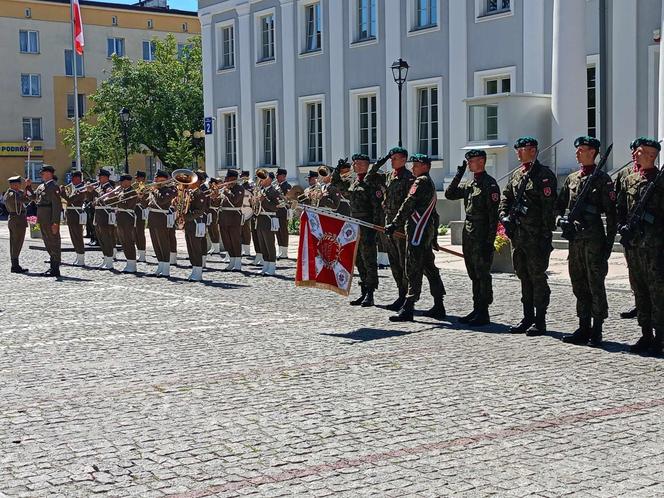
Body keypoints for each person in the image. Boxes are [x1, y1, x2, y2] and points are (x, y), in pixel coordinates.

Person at [555, 137, 617, 346]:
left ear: (593, 152)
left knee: (595, 284)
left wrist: (608, 246)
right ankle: (583, 326)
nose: (577, 153)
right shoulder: (572, 179)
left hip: (594, 240)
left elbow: (611, 214)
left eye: (581, 150)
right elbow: (559, 204)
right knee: (578, 282)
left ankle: (597, 329)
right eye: (577, 150)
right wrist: (559, 219)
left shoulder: (603, 179)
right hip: (575, 240)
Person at [499, 137, 557, 336]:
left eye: (521, 149)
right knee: (523, 276)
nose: (518, 153)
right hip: (518, 236)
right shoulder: (517, 175)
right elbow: (505, 197)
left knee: (537, 277)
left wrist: (543, 235)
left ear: (533, 150)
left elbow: (549, 210)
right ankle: (527, 317)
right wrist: (504, 216)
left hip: (536, 237)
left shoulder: (544, 175)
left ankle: (539, 320)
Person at [617, 137, 664, 355]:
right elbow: (620, 208)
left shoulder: (661, 181)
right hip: (634, 245)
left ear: (652, 156)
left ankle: (660, 337)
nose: (635, 154)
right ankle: (645, 333)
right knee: (639, 290)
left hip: (655, 247)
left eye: (641, 151)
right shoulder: (630, 180)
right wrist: (622, 227)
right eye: (636, 151)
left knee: (657, 291)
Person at [385, 154, 446, 321]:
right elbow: (434, 214)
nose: (413, 168)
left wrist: (394, 224)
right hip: (426, 231)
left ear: (426, 166)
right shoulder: (430, 183)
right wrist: (433, 237)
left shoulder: (420, 182)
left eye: (417, 165)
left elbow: (408, 203)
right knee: (430, 268)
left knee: (413, 267)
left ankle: (409, 308)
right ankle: (439, 305)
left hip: (417, 232)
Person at [444, 149, 500, 326]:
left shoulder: (489, 185)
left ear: (482, 161)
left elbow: (493, 217)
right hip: (469, 234)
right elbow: (449, 194)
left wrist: (489, 242)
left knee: (482, 274)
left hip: (482, 234)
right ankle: (477, 309)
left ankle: (484, 312)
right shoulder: (470, 183)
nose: (469, 164)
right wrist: (459, 175)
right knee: (473, 273)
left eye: (472, 161)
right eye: (468, 162)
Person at [371, 147, 414, 311]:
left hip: (401, 226)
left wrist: (398, 223)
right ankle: (401, 295)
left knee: (404, 263)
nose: (392, 161)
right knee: (394, 263)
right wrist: (381, 160)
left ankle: (408, 299)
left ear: (404, 159)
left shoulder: (409, 178)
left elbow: (408, 205)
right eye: (391, 158)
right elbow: (371, 176)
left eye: (395, 158)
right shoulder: (390, 176)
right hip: (388, 224)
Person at [347, 154, 383, 306]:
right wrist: (337, 170)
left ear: (368, 165)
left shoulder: (371, 181)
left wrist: (375, 227)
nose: (358, 166)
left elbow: (377, 206)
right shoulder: (354, 181)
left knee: (369, 260)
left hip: (367, 224)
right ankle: (363, 291)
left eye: (361, 164)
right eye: (355, 164)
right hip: (355, 223)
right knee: (359, 260)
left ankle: (370, 293)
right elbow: (337, 183)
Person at [616, 141, 641, 320]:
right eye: (632, 151)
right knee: (633, 268)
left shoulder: (656, 176)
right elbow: (618, 203)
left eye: (637, 151)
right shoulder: (625, 174)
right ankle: (638, 302)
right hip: (629, 231)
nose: (634, 154)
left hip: (649, 234)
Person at [33, 165, 62, 277]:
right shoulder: (41, 186)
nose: (41, 175)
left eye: (43, 173)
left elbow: (56, 206)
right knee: (47, 241)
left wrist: (55, 222)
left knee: (53, 242)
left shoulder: (53, 187)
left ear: (49, 174)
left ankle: (55, 268)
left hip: (50, 218)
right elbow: (34, 198)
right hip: (42, 218)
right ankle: (52, 266)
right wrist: (28, 187)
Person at [147, 170, 177, 277]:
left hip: (162, 218)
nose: (155, 180)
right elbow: (146, 203)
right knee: (156, 243)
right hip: (152, 218)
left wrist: (154, 190)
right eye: (155, 178)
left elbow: (162, 201)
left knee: (163, 243)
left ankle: (166, 268)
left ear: (164, 180)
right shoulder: (156, 190)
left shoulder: (170, 190)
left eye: (158, 178)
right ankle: (160, 266)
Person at [254, 170, 282, 275]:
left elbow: (276, 207)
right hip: (260, 219)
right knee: (262, 244)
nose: (260, 180)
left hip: (269, 219)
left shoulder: (274, 191)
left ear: (269, 180)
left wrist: (264, 200)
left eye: (263, 178)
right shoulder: (260, 190)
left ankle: (272, 267)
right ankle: (265, 265)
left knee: (269, 244)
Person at [88, 169, 116, 270]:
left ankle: (109, 261)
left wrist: (93, 191)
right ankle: (105, 259)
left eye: (101, 176)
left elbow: (106, 200)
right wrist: (90, 192)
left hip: (105, 214)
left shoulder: (109, 187)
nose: (98, 178)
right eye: (99, 176)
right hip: (98, 214)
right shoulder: (99, 187)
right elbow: (94, 200)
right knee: (100, 238)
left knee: (106, 238)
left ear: (106, 177)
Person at [219, 169, 245, 271]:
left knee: (235, 240)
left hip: (234, 218)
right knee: (227, 241)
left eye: (227, 178)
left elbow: (235, 200)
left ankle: (238, 262)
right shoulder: (226, 189)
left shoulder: (239, 188)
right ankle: (232, 261)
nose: (226, 180)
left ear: (233, 179)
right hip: (224, 218)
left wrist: (226, 191)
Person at [60, 171, 88, 266]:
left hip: (76, 213)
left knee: (77, 236)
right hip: (71, 213)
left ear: (78, 178)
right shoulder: (73, 187)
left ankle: (81, 258)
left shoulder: (82, 188)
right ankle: (78, 255)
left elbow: (70, 199)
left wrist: (63, 193)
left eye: (73, 178)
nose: (71, 180)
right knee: (73, 236)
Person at [4, 176, 32, 273]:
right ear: (11, 185)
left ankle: (15, 264)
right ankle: (15, 266)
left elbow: (28, 197)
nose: (18, 186)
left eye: (18, 184)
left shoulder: (13, 193)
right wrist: (27, 187)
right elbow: (26, 199)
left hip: (15, 219)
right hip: (17, 220)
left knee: (15, 242)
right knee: (17, 242)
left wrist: (28, 188)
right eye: (16, 184)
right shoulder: (12, 194)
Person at [113, 174, 139, 273]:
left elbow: (126, 204)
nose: (120, 183)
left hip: (127, 218)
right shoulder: (123, 191)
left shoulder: (132, 192)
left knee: (128, 241)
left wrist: (116, 196)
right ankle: (128, 261)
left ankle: (132, 264)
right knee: (123, 241)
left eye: (122, 181)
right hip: (121, 218)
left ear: (127, 182)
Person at [183, 176, 207, 282]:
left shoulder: (200, 194)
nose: (188, 183)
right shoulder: (189, 193)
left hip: (196, 223)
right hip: (189, 224)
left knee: (196, 248)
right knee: (190, 247)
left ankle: (198, 272)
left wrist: (185, 217)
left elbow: (199, 211)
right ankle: (194, 269)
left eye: (190, 181)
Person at [276, 168, 291, 259]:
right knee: (278, 231)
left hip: (283, 211)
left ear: (283, 176)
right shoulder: (277, 186)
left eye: (278, 175)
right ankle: (280, 249)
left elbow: (289, 199)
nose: (277, 177)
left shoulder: (287, 186)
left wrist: (280, 196)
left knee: (283, 231)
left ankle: (284, 251)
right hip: (277, 211)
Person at [133, 171, 148, 262]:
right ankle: (139, 251)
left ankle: (142, 253)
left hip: (140, 210)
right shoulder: (136, 187)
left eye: (138, 178)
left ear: (143, 178)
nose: (136, 179)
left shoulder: (145, 188)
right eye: (136, 178)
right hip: (134, 210)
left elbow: (145, 200)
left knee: (140, 232)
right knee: (135, 233)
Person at [240, 171, 254, 257]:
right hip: (240, 211)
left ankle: (247, 250)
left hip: (248, 211)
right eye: (242, 177)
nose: (243, 179)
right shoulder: (240, 187)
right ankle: (242, 249)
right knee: (240, 231)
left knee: (246, 231)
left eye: (244, 177)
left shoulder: (250, 187)